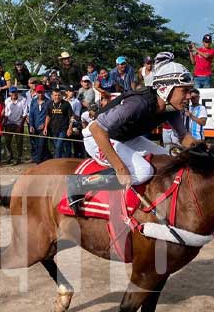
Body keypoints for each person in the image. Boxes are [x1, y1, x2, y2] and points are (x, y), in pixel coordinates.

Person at [72, 52, 197, 211]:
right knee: (143, 171)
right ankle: (80, 184)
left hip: (125, 138)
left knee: (168, 160)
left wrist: (202, 150)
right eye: (184, 90)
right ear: (166, 89)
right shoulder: (138, 103)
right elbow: (97, 129)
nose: (189, 96)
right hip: (97, 137)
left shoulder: (171, 108)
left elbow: (185, 137)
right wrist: (120, 168)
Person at [44, 88, 74, 158]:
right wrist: (45, 127)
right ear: (52, 96)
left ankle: (56, 161)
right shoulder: (49, 104)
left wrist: (70, 128)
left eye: (58, 95)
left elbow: (71, 117)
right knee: (57, 147)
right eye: (55, 95)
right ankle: (62, 161)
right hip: (53, 129)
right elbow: (48, 116)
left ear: (61, 95)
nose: (57, 97)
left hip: (63, 129)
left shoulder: (66, 104)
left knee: (58, 146)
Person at [4, 86, 28, 165]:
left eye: (15, 92)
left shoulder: (23, 100)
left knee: (19, 142)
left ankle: (19, 157)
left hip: (18, 123)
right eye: (12, 92)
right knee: (7, 141)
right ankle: (9, 156)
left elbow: (24, 114)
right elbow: (6, 114)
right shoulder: (7, 101)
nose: (14, 94)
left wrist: (21, 125)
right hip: (9, 123)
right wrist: (5, 124)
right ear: (10, 93)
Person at [28, 84, 50, 164]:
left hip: (44, 127)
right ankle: (46, 158)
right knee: (36, 144)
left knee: (41, 144)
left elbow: (49, 115)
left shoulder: (48, 102)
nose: (40, 94)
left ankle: (39, 161)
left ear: (44, 92)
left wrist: (44, 125)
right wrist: (31, 125)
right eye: (38, 92)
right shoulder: (33, 101)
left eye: (42, 92)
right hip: (34, 126)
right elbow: (31, 114)